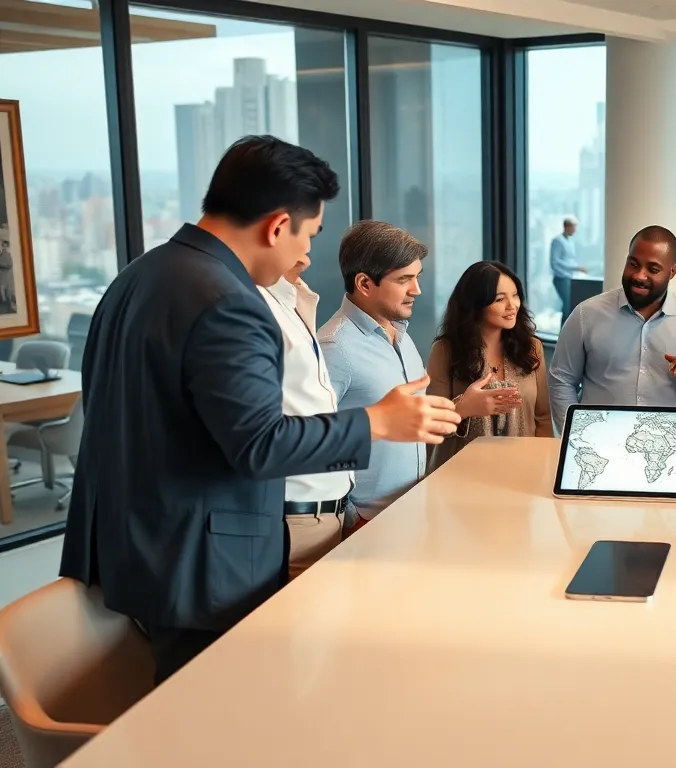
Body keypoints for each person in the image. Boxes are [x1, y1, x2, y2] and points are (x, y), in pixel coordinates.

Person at [60, 136, 459, 684]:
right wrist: (377, 421)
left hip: (138, 549)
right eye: (309, 235)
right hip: (205, 566)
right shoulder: (230, 302)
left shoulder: (140, 275)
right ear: (276, 225)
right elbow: (257, 443)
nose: (307, 256)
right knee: (223, 723)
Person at [549, 225, 676, 432]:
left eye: (653, 269)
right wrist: (574, 435)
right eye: (633, 264)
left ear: (672, 272)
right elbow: (562, 380)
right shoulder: (586, 314)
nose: (639, 275)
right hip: (601, 447)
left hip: (673, 449)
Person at [319, 220, 432, 532]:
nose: (416, 290)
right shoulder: (334, 347)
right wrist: (352, 516)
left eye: (417, 277)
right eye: (404, 280)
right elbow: (311, 439)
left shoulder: (402, 335)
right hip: (368, 523)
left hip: (413, 510)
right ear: (365, 284)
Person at [257, 249, 351, 580]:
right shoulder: (252, 307)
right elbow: (260, 436)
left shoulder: (294, 299)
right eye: (302, 237)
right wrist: (377, 423)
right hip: (292, 518)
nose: (307, 258)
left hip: (330, 513)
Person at [426, 261, 550, 471]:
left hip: (522, 473)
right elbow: (432, 427)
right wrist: (463, 408)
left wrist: (544, 468)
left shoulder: (531, 347)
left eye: (516, 295)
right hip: (460, 475)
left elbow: (543, 418)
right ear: (475, 304)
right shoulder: (445, 350)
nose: (512, 306)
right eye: (500, 299)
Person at [550, 216, 586, 323]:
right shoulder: (557, 241)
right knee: (567, 306)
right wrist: (576, 268)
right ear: (567, 226)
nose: (575, 230)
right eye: (574, 226)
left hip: (569, 277)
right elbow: (555, 261)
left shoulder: (570, 241)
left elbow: (570, 260)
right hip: (561, 278)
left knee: (569, 305)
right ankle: (563, 333)